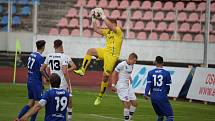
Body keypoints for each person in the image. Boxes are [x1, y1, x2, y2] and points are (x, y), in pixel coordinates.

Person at [74, 8, 123, 106]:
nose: (108, 26)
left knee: (105, 77)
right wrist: (93, 18)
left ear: (115, 24)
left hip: (112, 56)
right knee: (90, 51)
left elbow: (110, 26)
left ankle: (100, 96)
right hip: (105, 51)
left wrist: (103, 16)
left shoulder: (118, 31)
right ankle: (83, 70)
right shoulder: (108, 31)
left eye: (110, 24)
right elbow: (95, 29)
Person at [40, 39, 76, 121]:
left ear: (54, 46)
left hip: (53, 84)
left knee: (52, 101)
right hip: (63, 83)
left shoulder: (49, 56)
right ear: (61, 46)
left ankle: (52, 117)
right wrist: (69, 84)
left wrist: (47, 78)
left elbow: (42, 69)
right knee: (68, 100)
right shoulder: (64, 57)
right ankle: (69, 118)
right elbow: (65, 72)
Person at [15, 40, 46, 121]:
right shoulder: (40, 57)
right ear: (43, 47)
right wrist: (48, 78)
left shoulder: (31, 55)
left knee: (31, 102)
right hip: (36, 82)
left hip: (29, 80)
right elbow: (42, 70)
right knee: (37, 104)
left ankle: (18, 118)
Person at [144, 56, 174, 121]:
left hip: (153, 98)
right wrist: (166, 93)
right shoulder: (166, 73)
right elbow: (168, 86)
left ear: (155, 62)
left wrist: (146, 94)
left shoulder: (150, 73)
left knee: (160, 115)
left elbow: (148, 84)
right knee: (170, 116)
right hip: (162, 97)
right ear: (163, 63)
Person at [111, 53, 138, 121]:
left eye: (135, 61)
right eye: (134, 61)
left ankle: (129, 119)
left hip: (128, 86)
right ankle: (127, 120)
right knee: (127, 105)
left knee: (135, 103)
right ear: (130, 58)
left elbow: (127, 73)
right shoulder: (122, 64)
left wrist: (130, 78)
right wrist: (113, 85)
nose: (135, 62)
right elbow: (114, 74)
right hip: (121, 86)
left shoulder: (132, 65)